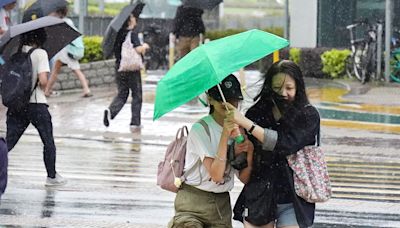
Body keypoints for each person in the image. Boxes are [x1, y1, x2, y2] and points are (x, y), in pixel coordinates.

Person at [225, 60, 320, 228]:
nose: (283, 93)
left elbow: (285, 144)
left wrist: (250, 126)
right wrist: (239, 143)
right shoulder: (256, 113)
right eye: (277, 88)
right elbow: (242, 159)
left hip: (293, 197)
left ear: (298, 88)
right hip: (259, 194)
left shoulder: (307, 115)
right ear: (269, 87)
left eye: (289, 88)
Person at [168, 75, 254, 228]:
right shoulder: (200, 129)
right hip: (192, 204)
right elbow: (216, 175)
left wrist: (250, 151)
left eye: (232, 99)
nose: (227, 103)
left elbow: (244, 178)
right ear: (210, 99)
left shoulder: (239, 129)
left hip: (221, 207)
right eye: (221, 99)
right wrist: (225, 135)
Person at [6, 29, 66, 186]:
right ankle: (51, 176)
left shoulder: (14, 53)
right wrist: (45, 85)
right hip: (36, 104)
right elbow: (43, 81)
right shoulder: (40, 53)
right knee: (47, 141)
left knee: (9, 141)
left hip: (17, 104)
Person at [103, 12, 150, 131]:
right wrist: (144, 46)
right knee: (137, 95)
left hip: (120, 67)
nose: (135, 19)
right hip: (132, 69)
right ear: (129, 21)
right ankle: (135, 122)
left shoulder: (117, 35)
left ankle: (111, 111)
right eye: (133, 18)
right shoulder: (132, 34)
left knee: (122, 93)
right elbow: (139, 50)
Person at [45, 7, 92, 98]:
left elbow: (61, 37)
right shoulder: (67, 21)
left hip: (66, 51)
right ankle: (47, 91)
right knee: (56, 70)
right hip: (65, 50)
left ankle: (86, 89)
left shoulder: (62, 23)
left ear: (57, 13)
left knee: (75, 70)